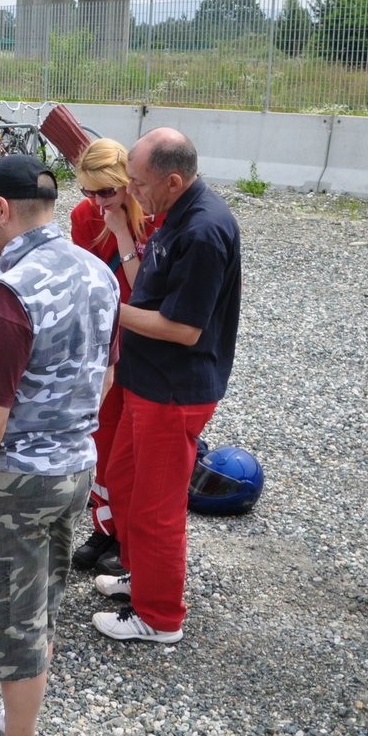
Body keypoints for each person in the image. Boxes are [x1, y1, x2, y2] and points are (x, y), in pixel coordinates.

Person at [0, 155, 118, 736]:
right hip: (72, 464)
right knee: (42, 598)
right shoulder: (98, 272)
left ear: (3, 209)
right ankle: (18, 716)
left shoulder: (11, 293)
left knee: (13, 617)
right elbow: (105, 372)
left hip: (13, 478)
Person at [92, 128, 241, 645]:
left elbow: (184, 329)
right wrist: (121, 236)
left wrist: (106, 309)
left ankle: (159, 617)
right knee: (124, 480)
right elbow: (145, 286)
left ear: (172, 180)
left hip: (174, 390)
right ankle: (142, 577)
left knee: (157, 506)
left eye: (136, 182)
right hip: (145, 380)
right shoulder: (174, 217)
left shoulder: (203, 231)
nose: (130, 191)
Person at [67, 139, 165, 577]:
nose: (96, 201)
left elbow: (146, 290)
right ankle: (105, 526)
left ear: (128, 182)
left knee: (133, 448)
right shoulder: (83, 216)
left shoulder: (155, 218)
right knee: (103, 441)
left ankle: (128, 534)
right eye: (89, 192)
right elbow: (85, 283)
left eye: (106, 191)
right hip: (103, 342)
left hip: (145, 340)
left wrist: (124, 232)